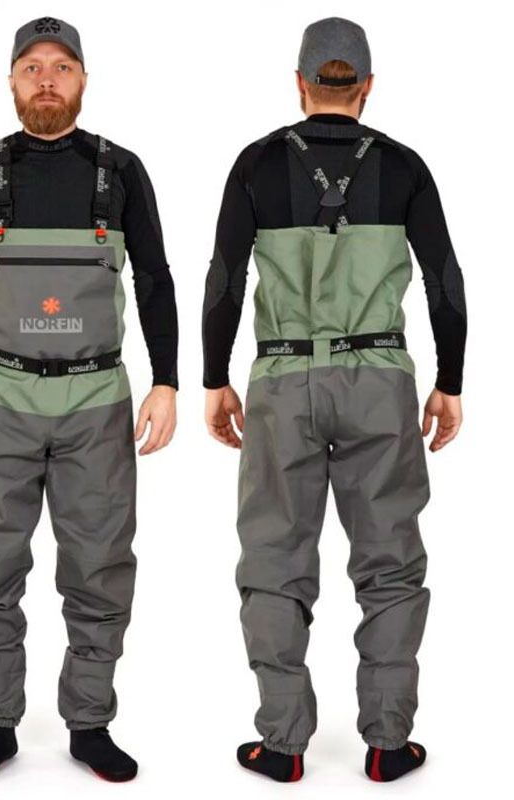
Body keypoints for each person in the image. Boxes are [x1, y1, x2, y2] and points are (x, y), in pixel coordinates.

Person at [0, 16, 178, 783]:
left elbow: (156, 277)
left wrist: (166, 380)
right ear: (11, 81)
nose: (47, 79)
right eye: (32, 66)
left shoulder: (121, 172)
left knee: (100, 567)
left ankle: (90, 725)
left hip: (97, 401)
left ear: (84, 79)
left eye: (62, 66)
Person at [201, 16, 466, 783]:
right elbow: (445, 282)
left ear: (300, 83)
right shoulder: (405, 166)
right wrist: (450, 382)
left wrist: (215, 378)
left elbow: (223, 279)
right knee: (390, 563)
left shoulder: (256, 163)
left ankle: (283, 746)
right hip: (379, 379)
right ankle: (388, 743)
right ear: (368, 86)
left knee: (274, 561)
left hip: (282, 381)